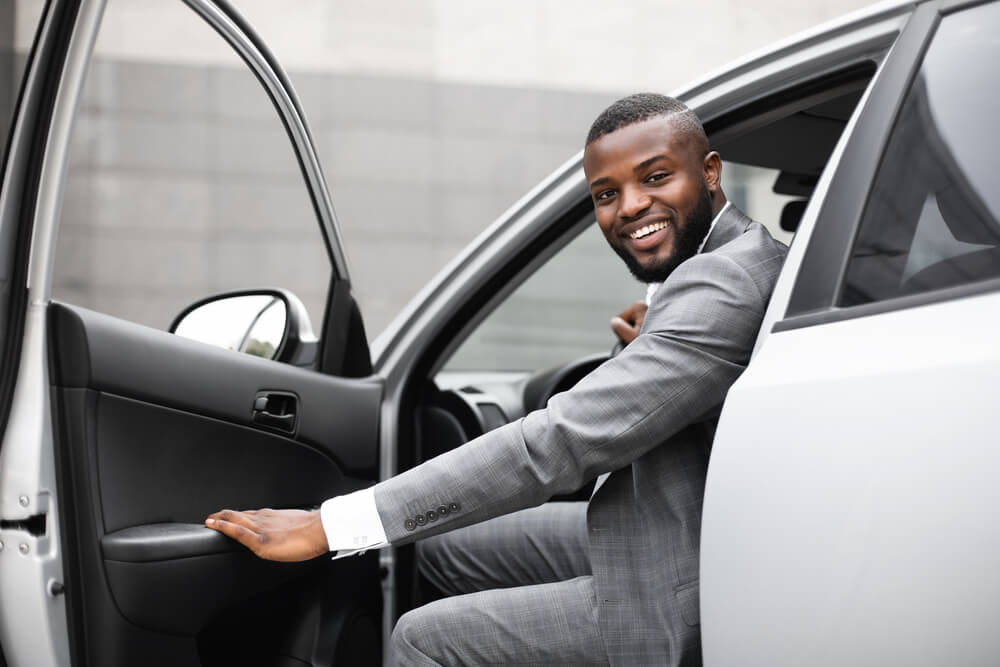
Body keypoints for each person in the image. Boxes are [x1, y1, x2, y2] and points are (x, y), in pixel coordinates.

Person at [206, 93, 788, 665]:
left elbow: (560, 440)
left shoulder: (723, 284)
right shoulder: (739, 260)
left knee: (423, 638)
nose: (630, 205)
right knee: (439, 550)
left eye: (655, 177)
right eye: (606, 194)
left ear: (710, 172)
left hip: (684, 587)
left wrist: (330, 525)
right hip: (679, 532)